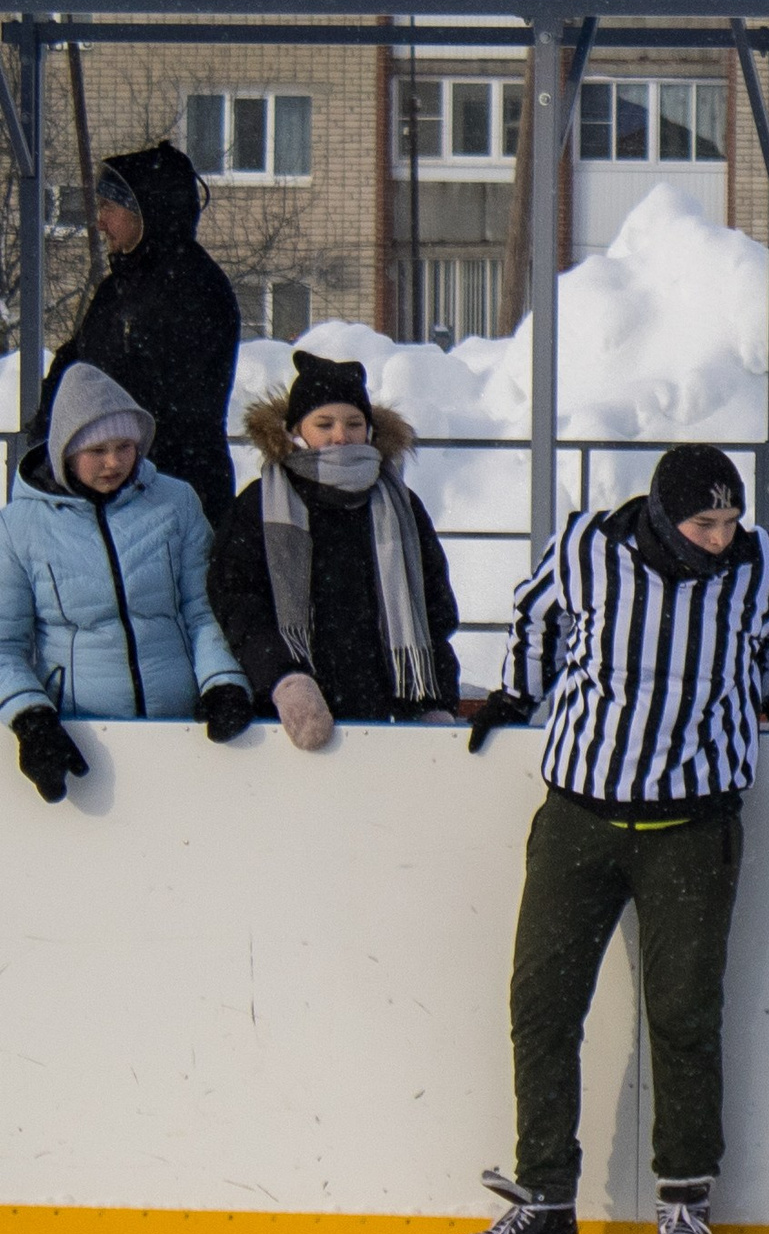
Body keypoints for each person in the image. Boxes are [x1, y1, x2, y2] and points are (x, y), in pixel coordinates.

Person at [436, 445, 769, 1234]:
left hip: (695, 825)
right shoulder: (587, 548)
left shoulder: (761, 567)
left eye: (733, 522)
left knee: (684, 1013)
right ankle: (544, 1199)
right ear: (663, 514)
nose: (724, 538)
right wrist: (519, 690)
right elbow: (535, 613)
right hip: (579, 818)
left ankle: (685, 1200)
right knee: (541, 1005)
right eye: (706, 523)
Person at [0, 362, 252, 802]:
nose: (114, 462)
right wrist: (31, 718)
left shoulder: (176, 503)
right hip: (83, 734)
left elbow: (204, 609)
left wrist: (222, 681)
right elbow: (4, 644)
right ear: (65, 453)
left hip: (183, 728)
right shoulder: (18, 526)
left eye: (125, 446)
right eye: (96, 450)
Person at [212, 351, 462, 748]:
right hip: (283, 718)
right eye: (324, 424)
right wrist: (285, 678)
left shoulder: (401, 505)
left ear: (370, 430)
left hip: (381, 712)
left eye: (353, 423)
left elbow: (435, 611)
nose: (340, 436)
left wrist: (434, 701)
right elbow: (238, 604)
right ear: (296, 430)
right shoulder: (260, 505)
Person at [32, 143, 242, 528]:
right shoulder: (121, 287)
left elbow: (174, 405)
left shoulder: (195, 290)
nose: (99, 222)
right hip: (116, 489)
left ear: (148, 211)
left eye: (109, 208)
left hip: (169, 498)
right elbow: (78, 366)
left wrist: (111, 457)